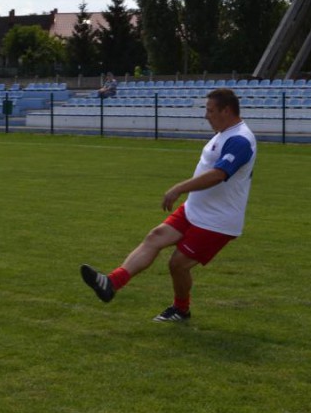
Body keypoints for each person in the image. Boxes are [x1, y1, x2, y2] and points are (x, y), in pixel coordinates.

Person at [80, 88, 256, 323]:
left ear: (226, 110)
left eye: (210, 110)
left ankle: (181, 310)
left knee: (178, 265)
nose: (206, 115)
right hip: (195, 210)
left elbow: (218, 174)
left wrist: (179, 188)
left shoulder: (240, 139)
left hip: (217, 221)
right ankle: (111, 283)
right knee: (155, 237)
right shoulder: (223, 133)